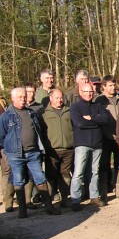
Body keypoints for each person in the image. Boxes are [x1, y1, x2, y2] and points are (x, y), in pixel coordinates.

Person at [0, 87, 61, 218]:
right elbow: (2, 136)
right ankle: (23, 210)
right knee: (19, 180)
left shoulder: (31, 113)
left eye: (24, 97)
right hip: (16, 154)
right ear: (13, 98)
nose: (23, 100)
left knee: (40, 177)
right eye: (19, 97)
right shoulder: (6, 116)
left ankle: (49, 206)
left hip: (33, 152)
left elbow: (38, 130)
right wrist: (10, 148)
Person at [69, 83, 108, 211]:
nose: (89, 94)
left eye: (91, 91)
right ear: (81, 92)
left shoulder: (98, 106)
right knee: (78, 173)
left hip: (97, 143)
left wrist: (90, 118)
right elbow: (79, 123)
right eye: (86, 91)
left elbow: (104, 120)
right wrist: (95, 121)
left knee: (94, 171)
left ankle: (94, 196)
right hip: (82, 143)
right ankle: (75, 199)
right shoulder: (75, 107)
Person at [94, 75, 119, 200]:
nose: (113, 88)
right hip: (104, 137)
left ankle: (118, 189)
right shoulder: (99, 101)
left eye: (114, 85)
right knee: (104, 164)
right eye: (110, 85)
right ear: (103, 87)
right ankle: (103, 191)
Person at [39, 89, 74, 208]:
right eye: (56, 98)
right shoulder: (44, 113)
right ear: (50, 98)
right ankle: (49, 202)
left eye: (61, 98)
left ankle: (65, 199)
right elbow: (41, 132)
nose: (59, 100)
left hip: (68, 149)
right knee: (51, 176)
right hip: (52, 150)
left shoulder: (69, 111)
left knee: (65, 174)